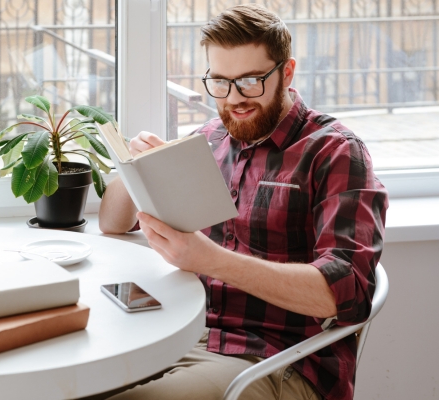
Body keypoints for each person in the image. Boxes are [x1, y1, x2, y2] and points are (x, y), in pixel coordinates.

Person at [96, 4, 389, 400]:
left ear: (286, 72)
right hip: (179, 334)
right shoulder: (211, 140)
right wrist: (134, 169)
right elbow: (113, 224)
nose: (235, 99)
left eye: (251, 80)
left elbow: (345, 294)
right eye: (220, 81)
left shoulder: (334, 151)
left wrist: (208, 259)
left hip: (275, 360)